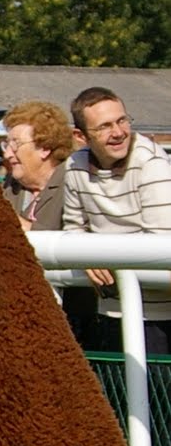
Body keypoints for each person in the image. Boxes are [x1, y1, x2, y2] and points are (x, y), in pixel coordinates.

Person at [64, 87, 171, 354]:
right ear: (81, 136)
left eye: (122, 120)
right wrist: (86, 254)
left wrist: (101, 255)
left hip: (160, 317)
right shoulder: (74, 166)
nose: (119, 132)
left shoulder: (152, 163)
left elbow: (161, 247)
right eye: (105, 126)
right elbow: (73, 230)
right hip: (109, 310)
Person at [2, 100, 74, 231]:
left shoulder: (72, 187)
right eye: (7, 145)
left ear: (44, 148)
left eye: (16, 144)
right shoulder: (10, 185)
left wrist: (13, 222)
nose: (7, 154)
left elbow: (77, 239)